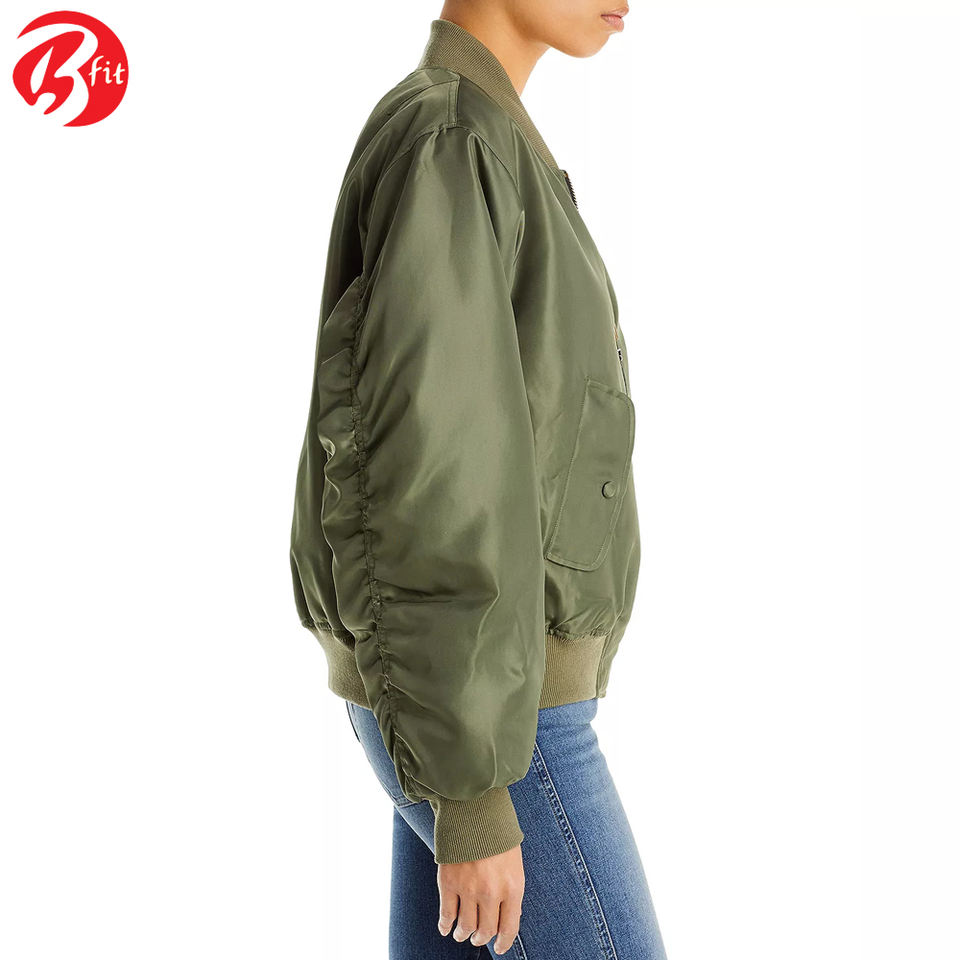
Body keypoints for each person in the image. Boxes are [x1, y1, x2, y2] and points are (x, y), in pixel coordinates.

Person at [289, 5, 667, 958]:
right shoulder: (452, 141)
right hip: (497, 719)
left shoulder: (483, 136)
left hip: (476, 701)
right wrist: (469, 788)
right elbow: (430, 471)